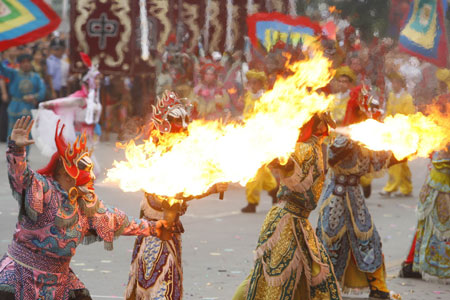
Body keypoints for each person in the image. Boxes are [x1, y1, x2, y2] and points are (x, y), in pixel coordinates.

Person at [0, 116, 169, 300]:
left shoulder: (87, 205)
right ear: (65, 171)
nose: (90, 175)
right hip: (20, 275)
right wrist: (17, 149)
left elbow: (117, 220)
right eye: (84, 168)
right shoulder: (43, 190)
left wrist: (155, 227)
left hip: (59, 281)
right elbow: (21, 178)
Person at [126, 91, 228, 300]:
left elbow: (184, 190)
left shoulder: (179, 154)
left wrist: (211, 183)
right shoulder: (155, 155)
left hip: (170, 234)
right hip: (155, 234)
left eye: (184, 121)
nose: (182, 127)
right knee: (157, 290)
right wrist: (207, 189)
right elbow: (164, 198)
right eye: (176, 122)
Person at [233, 114, 342, 300]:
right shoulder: (303, 147)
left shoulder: (315, 145)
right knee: (274, 275)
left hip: (299, 221)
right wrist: (279, 160)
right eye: (321, 121)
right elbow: (293, 172)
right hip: (286, 222)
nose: (326, 125)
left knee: (308, 272)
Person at [316, 86, 401, 300]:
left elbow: (378, 161)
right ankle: (325, 288)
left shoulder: (370, 138)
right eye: (365, 112)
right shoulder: (345, 136)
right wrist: (355, 138)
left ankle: (378, 287)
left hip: (354, 197)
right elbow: (333, 157)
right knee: (330, 241)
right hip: (336, 197)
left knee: (368, 239)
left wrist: (405, 150)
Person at [399, 69, 450, 280]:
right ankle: (412, 264)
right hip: (439, 187)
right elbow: (438, 157)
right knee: (428, 226)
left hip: (438, 185)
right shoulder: (439, 127)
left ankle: (412, 264)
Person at [34, 52, 102, 173]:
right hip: (78, 138)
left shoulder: (93, 97)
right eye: (95, 78)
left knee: (87, 170)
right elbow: (62, 102)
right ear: (88, 80)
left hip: (88, 137)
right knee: (91, 170)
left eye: (98, 79)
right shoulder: (80, 98)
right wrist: (45, 105)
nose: (98, 81)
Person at [240, 70, 278, 213]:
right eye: (250, 82)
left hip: (261, 137)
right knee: (260, 168)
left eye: (255, 82)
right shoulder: (249, 96)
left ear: (261, 84)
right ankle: (273, 188)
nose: (252, 85)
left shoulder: (266, 98)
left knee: (253, 169)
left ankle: (252, 201)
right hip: (249, 135)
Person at [380, 71, 415, 197]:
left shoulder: (407, 98)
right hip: (392, 131)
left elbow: (409, 115)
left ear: (401, 84)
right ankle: (406, 187)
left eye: (396, 82)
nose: (393, 84)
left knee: (400, 161)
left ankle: (392, 187)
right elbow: (389, 112)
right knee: (397, 161)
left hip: (402, 132)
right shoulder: (391, 96)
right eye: (392, 82)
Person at [0, 54, 46, 138]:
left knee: (26, 135)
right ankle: (11, 151)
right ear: (19, 64)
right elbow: (2, 68)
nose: (26, 64)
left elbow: (42, 91)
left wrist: (34, 96)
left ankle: (24, 152)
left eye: (28, 62)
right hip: (15, 107)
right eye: (23, 62)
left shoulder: (36, 77)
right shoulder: (13, 73)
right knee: (13, 133)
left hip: (28, 108)